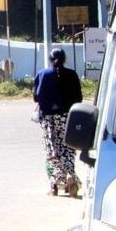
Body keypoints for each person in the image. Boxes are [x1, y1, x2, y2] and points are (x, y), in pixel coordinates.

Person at [33, 48, 84, 196]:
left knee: (51, 151)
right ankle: (70, 177)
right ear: (65, 59)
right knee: (68, 148)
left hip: (49, 119)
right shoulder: (72, 74)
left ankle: (54, 187)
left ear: (50, 59)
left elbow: (36, 97)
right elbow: (78, 98)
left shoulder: (43, 74)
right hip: (67, 117)